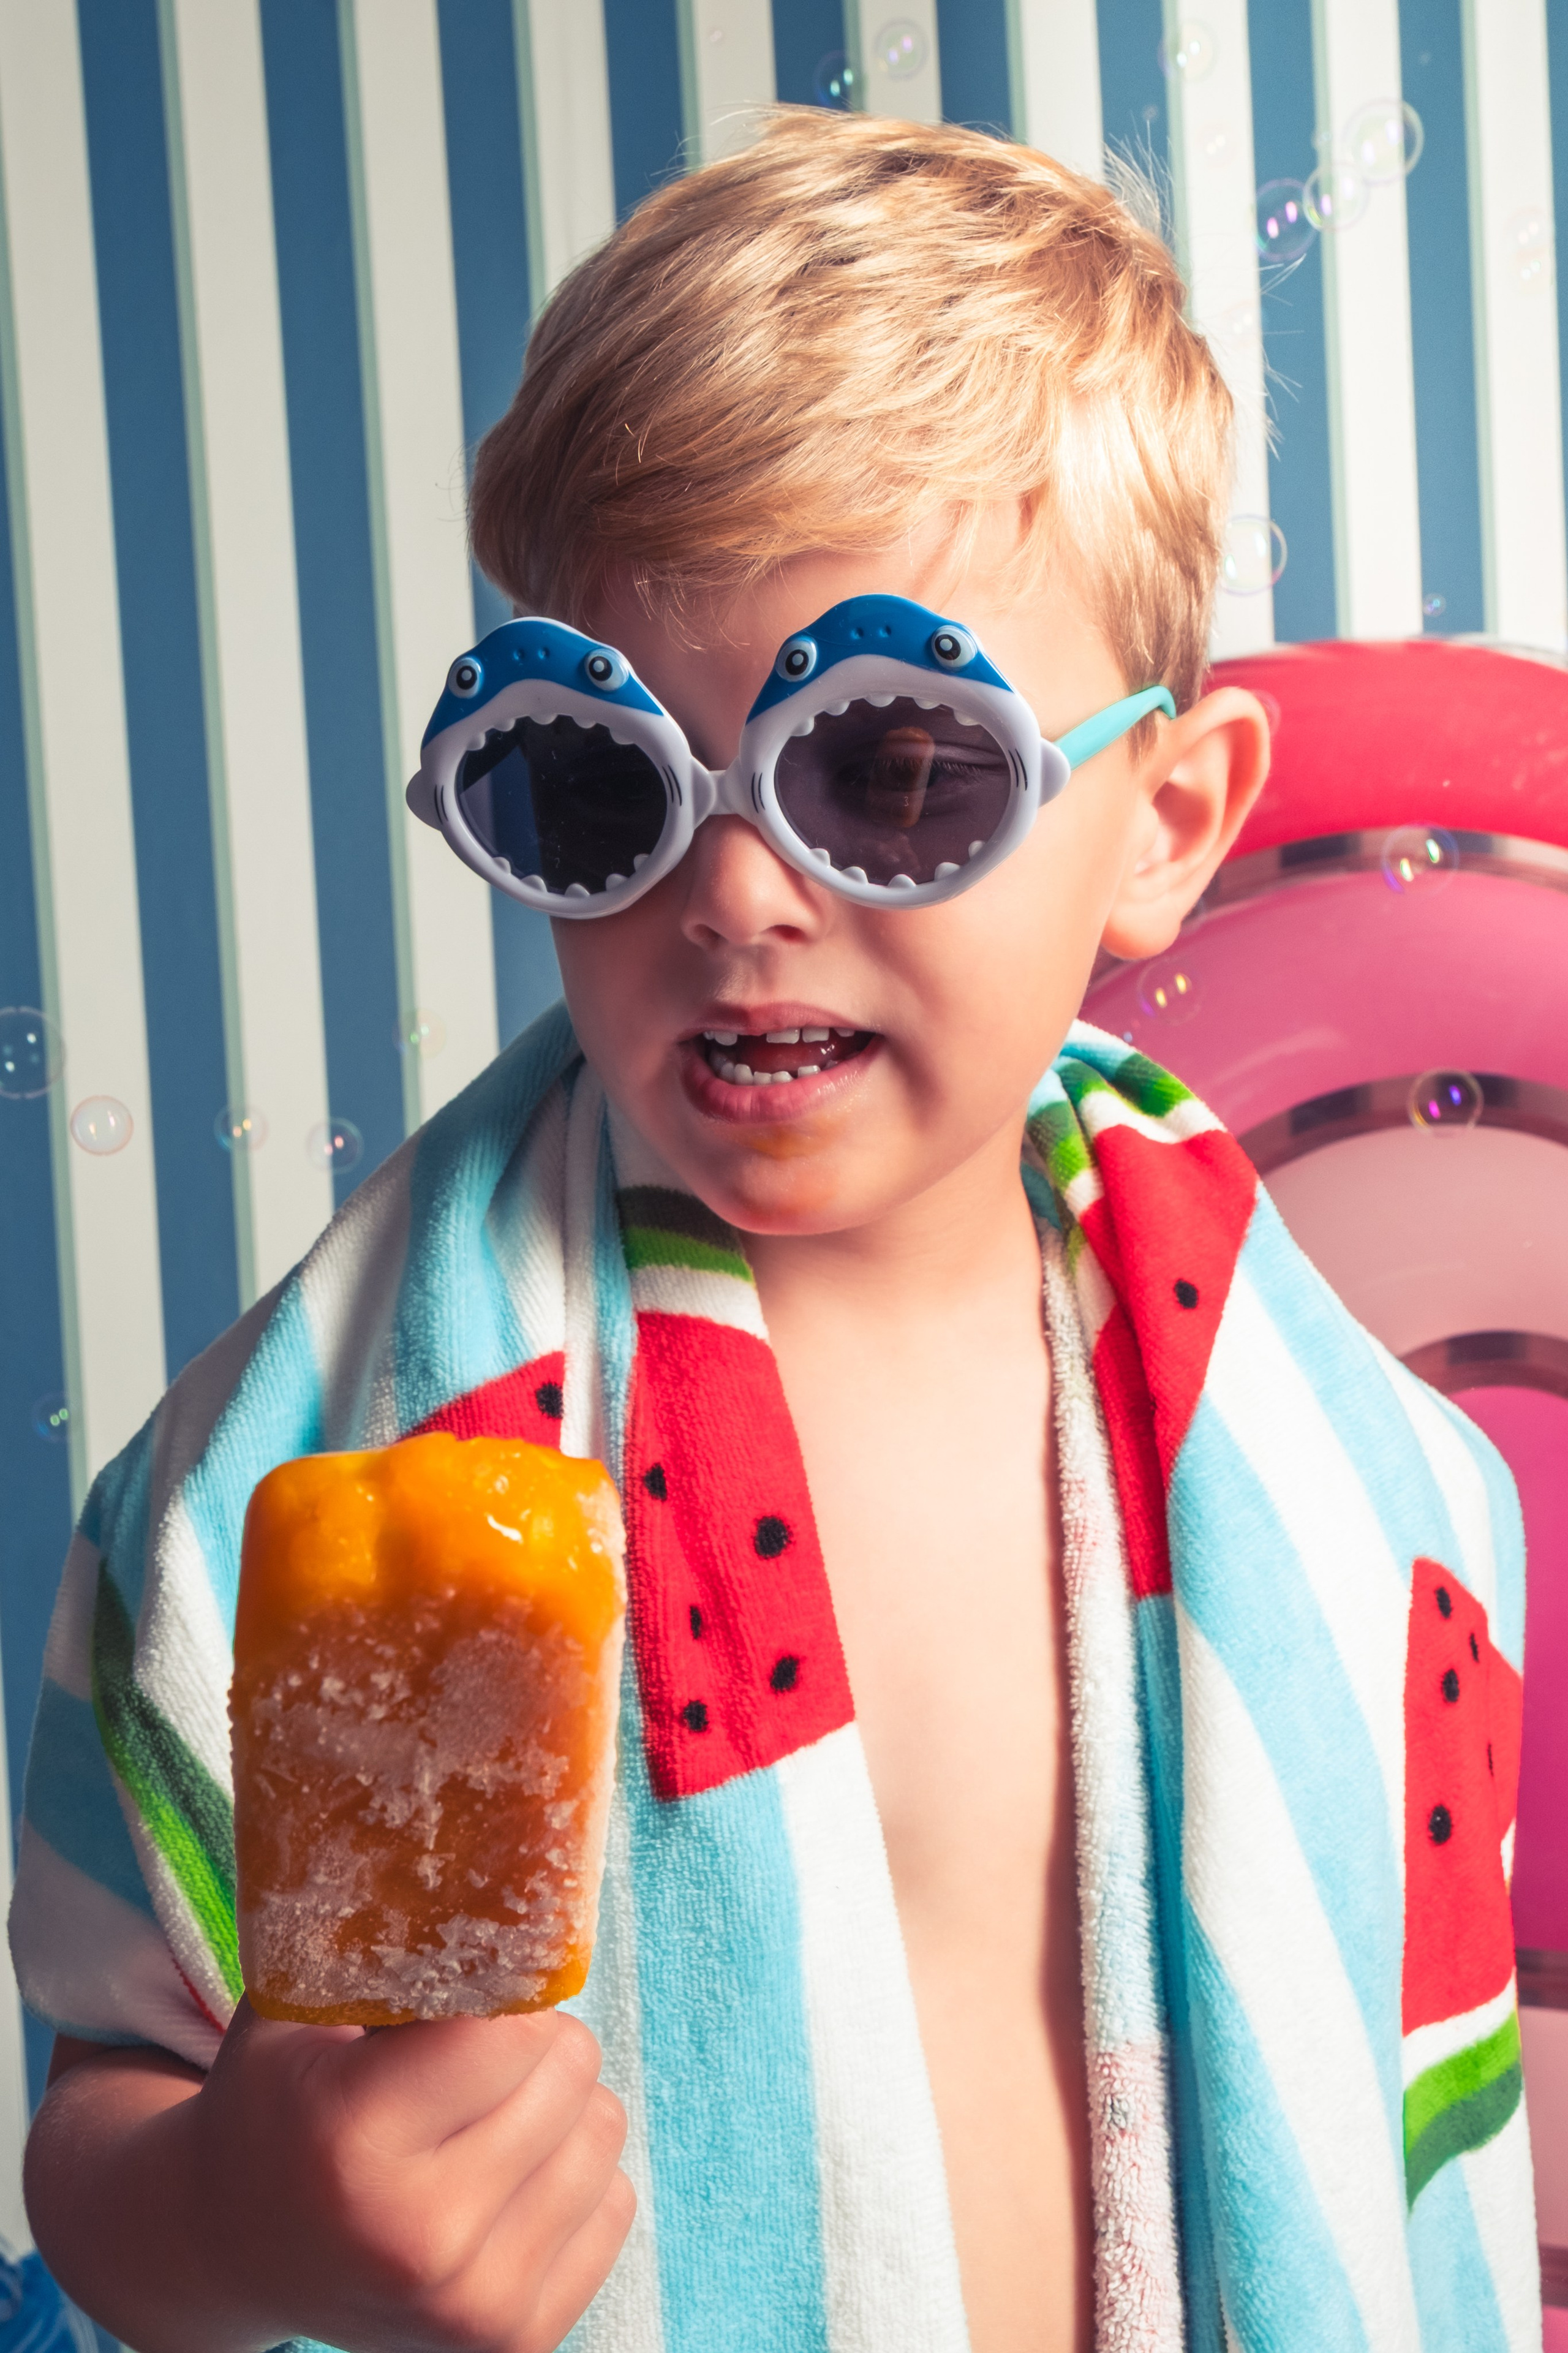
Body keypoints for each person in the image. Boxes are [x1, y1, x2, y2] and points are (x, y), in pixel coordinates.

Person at [10, 110, 1535, 2353]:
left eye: (893, 768)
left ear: (1164, 822)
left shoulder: (1322, 1465)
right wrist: (243, 2208)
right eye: (600, 786)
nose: (733, 892)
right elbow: (103, 2125)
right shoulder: (366, 1448)